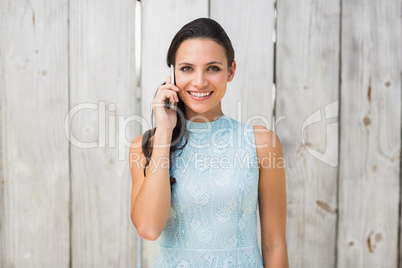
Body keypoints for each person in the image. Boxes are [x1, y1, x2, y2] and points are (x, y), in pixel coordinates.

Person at [129, 17, 289, 267]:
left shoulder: (262, 143)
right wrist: (164, 132)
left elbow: (274, 243)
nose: (200, 81)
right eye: (187, 68)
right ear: (172, 74)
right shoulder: (144, 147)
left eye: (213, 68)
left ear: (231, 71)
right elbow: (149, 228)